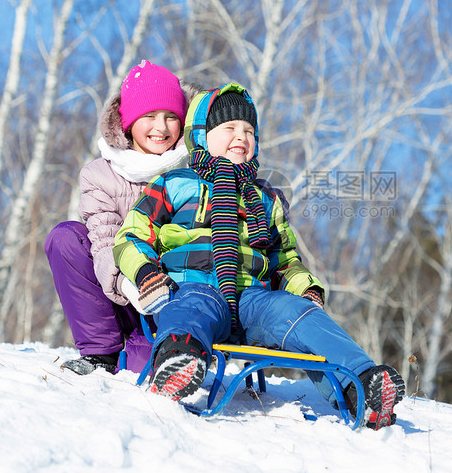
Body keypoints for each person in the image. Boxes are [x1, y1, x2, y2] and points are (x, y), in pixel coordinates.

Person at [113, 83, 406, 429]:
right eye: (230, 128)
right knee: (189, 309)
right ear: (202, 135)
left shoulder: (264, 198)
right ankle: (179, 359)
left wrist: (304, 288)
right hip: (195, 285)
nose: (242, 136)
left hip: (253, 297)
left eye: (249, 130)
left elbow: (285, 258)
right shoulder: (174, 183)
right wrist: (146, 273)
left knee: (296, 313)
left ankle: (363, 385)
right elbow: (130, 235)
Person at [45, 60, 203, 375]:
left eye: (171, 117)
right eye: (149, 116)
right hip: (123, 289)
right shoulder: (100, 174)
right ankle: (101, 352)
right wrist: (130, 284)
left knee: (141, 366)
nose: (161, 128)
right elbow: (103, 241)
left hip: (175, 298)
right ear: (128, 122)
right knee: (66, 238)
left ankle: (158, 348)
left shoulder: (196, 172)